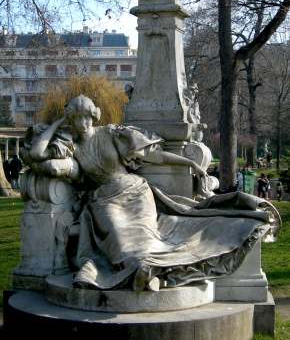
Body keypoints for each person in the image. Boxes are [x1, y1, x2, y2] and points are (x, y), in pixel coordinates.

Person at [25, 95, 279, 292]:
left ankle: (152, 272)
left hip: (135, 191)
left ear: (93, 116)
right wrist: (57, 123)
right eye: (77, 118)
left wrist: (188, 163)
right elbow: (37, 154)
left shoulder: (112, 133)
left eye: (87, 117)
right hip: (104, 201)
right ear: (71, 119)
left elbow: (153, 156)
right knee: (121, 238)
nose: (83, 123)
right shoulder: (72, 149)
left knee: (147, 236)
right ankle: (146, 271)